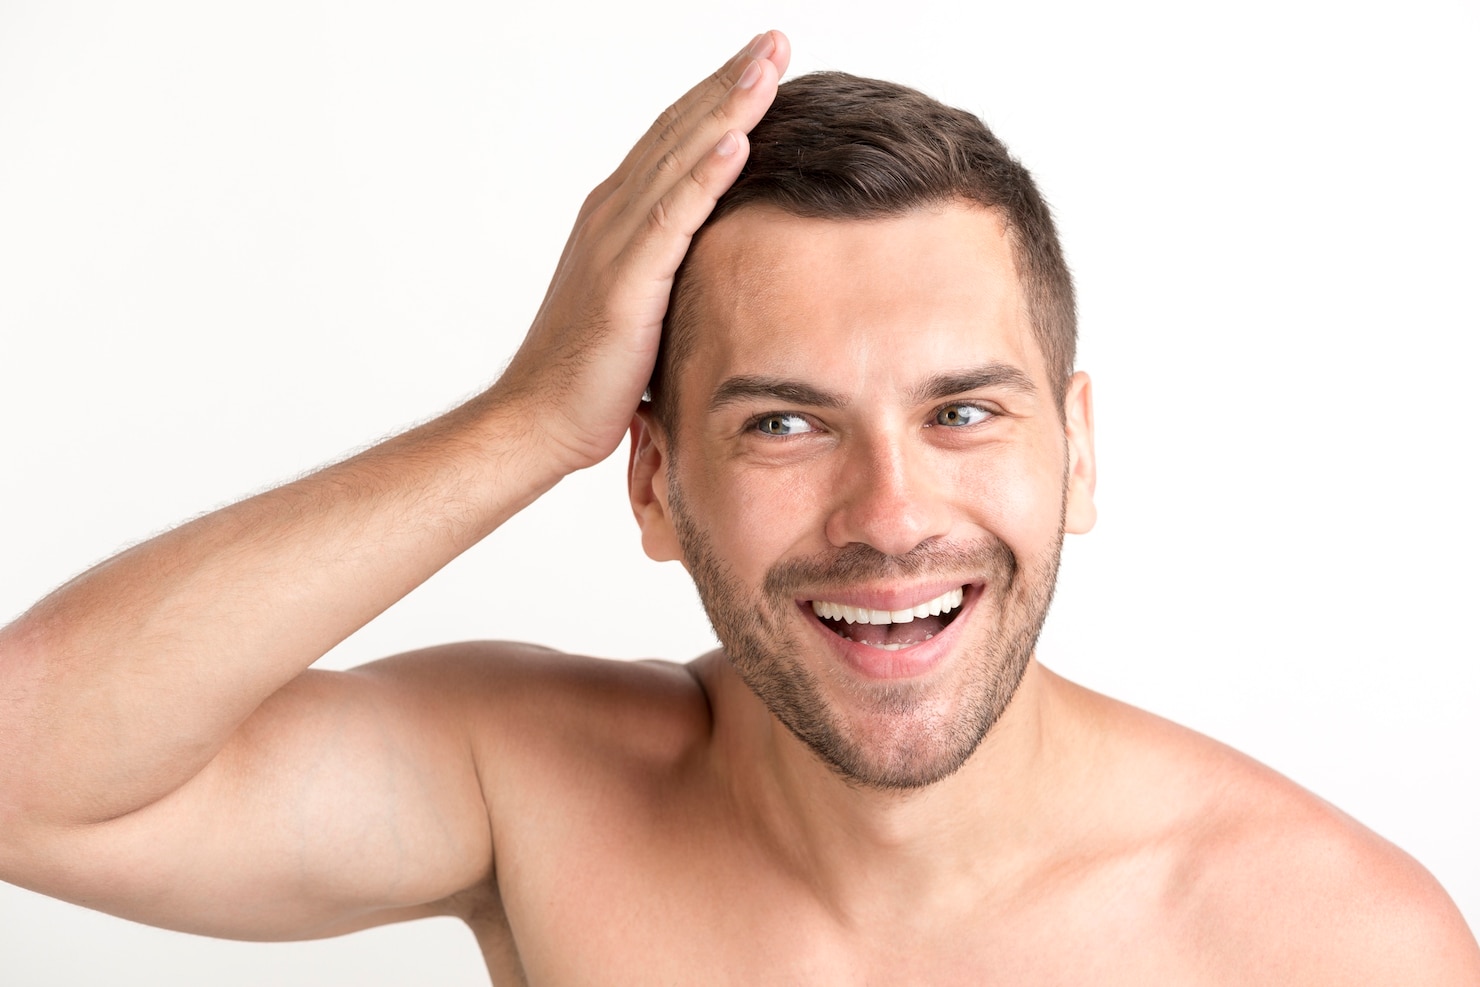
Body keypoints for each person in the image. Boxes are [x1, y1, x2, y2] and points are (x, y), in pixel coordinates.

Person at [0, 29, 1476, 984]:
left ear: (1077, 452)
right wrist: (524, 420)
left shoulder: (1328, 945)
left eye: (962, 411)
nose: (892, 515)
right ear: (651, 479)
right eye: (785, 422)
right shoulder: (540, 792)